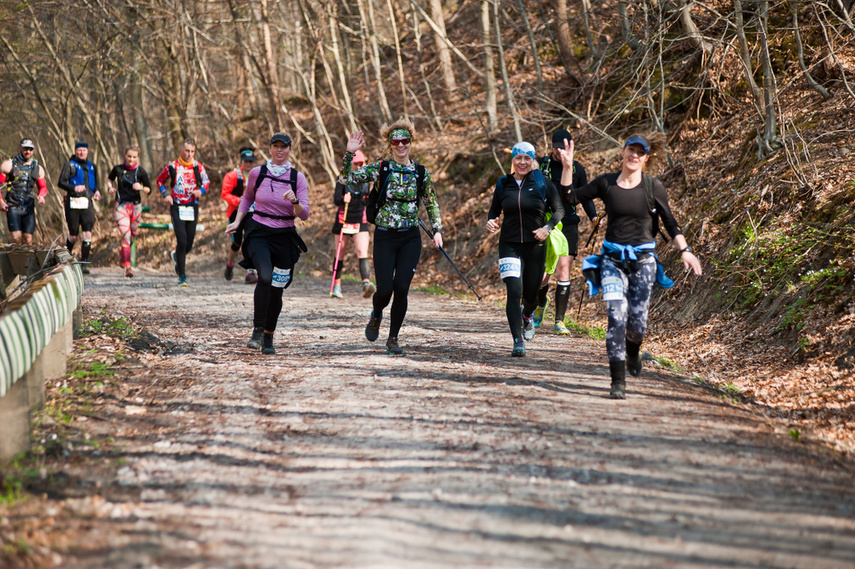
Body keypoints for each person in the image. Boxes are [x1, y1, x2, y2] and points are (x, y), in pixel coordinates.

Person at [561, 133, 702, 399]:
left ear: (646, 158)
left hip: (643, 262)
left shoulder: (652, 186)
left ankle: (633, 353)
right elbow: (569, 198)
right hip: (612, 261)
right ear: (623, 152)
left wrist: (685, 250)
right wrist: (568, 168)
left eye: (640, 152)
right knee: (616, 317)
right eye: (630, 150)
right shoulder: (606, 183)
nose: (634, 155)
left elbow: (670, 223)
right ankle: (617, 381)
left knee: (637, 324)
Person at [341, 117, 443, 356]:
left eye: (404, 140)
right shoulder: (381, 168)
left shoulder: (420, 172)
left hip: (410, 238)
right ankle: (376, 314)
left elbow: (431, 203)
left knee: (402, 288)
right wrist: (349, 153)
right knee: (385, 290)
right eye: (395, 141)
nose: (400, 145)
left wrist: (437, 230)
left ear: (410, 142)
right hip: (385, 237)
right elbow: (348, 179)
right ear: (390, 143)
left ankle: (393, 338)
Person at [225, 133, 309, 355]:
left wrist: (296, 202)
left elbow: (305, 214)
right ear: (270, 149)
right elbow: (247, 198)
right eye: (276, 146)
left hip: (284, 237)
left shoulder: (297, 178)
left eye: (284, 147)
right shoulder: (257, 173)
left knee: (277, 288)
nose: (280, 150)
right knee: (265, 277)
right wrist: (237, 221)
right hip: (259, 233)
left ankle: (269, 336)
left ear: (290, 150)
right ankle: (257, 330)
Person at [486, 142, 565, 357]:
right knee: (514, 292)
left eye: (526, 158)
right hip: (509, 244)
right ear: (513, 160)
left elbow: (559, 210)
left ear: (533, 161)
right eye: (518, 158)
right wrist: (491, 221)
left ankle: (527, 315)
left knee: (531, 293)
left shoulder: (543, 183)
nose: (522, 162)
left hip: (535, 245)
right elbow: (494, 210)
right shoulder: (503, 183)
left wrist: (547, 229)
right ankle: (517, 340)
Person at [534, 128, 597, 335]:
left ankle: (559, 320)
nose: (560, 151)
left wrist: (594, 216)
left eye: (564, 147)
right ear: (551, 146)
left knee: (563, 268)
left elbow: (585, 195)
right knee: (543, 273)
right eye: (557, 147)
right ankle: (541, 302)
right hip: (545, 223)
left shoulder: (577, 169)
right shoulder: (542, 164)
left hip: (568, 223)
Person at [156, 138, 210, 286]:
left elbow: (206, 182)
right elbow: (160, 181)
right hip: (177, 206)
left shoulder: (198, 166)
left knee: (189, 242)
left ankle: (177, 258)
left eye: (192, 151)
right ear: (181, 150)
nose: (189, 154)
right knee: (182, 240)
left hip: (192, 206)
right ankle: (182, 275)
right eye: (187, 151)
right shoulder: (172, 166)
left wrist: (201, 190)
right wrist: (165, 195)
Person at [329, 149, 376, 299]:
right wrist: (344, 199)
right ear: (351, 164)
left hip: (359, 220)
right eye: (356, 164)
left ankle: (366, 284)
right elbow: (336, 199)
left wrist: (366, 201)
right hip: (343, 220)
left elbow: (369, 200)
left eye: (361, 163)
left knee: (362, 252)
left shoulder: (367, 180)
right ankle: (336, 285)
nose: (359, 166)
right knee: (340, 254)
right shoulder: (342, 179)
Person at [106, 146, 151, 278]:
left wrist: (141, 187)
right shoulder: (118, 169)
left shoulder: (141, 172)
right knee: (126, 234)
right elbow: (109, 179)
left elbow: (149, 189)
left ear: (138, 157)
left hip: (136, 206)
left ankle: (122, 253)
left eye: (134, 157)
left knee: (132, 234)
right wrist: (110, 188)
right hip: (121, 205)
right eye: (129, 156)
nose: (131, 159)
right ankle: (128, 266)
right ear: (125, 155)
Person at [58, 141, 101, 272]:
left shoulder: (92, 166)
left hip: (87, 203)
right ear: (75, 151)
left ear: (88, 151)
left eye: (84, 150)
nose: (82, 152)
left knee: (87, 233)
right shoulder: (69, 165)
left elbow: (96, 183)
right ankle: (66, 259)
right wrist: (73, 187)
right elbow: (60, 182)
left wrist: (97, 192)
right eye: (79, 150)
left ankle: (84, 263)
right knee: (74, 235)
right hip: (73, 203)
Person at [0, 138, 47, 245]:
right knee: (16, 238)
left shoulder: (37, 168)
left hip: (28, 207)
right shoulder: (8, 165)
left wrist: (42, 196)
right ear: (20, 148)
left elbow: (43, 187)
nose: (28, 152)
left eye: (30, 149)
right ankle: (15, 260)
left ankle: (26, 261)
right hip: (12, 206)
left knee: (28, 239)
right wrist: (1, 202)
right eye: (26, 149)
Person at [221, 146, 258, 284]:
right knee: (237, 242)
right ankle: (230, 265)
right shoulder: (232, 176)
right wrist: (237, 200)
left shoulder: (258, 176)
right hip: (236, 212)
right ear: (241, 161)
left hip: (252, 212)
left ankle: (250, 271)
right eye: (246, 161)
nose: (248, 164)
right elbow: (225, 193)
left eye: (251, 161)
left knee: (250, 240)